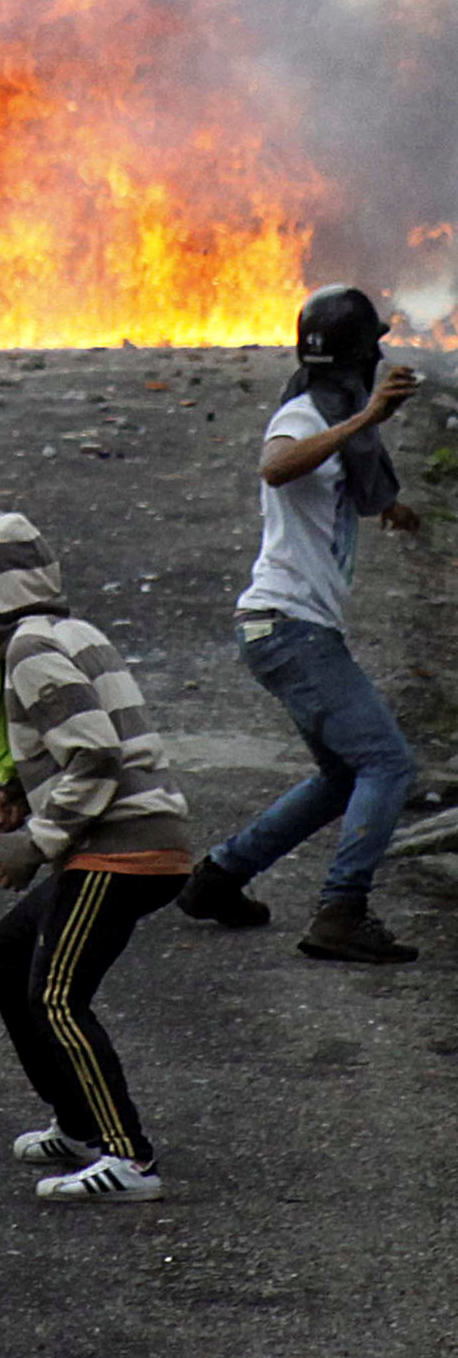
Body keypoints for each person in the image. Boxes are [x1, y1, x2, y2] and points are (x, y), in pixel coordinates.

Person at [0, 510, 194, 1202]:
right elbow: (80, 742)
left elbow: (96, 754)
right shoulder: (65, 631)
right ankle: (78, 1125)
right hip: (129, 837)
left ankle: (128, 1157)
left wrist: (38, 844)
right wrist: (17, 797)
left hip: (121, 849)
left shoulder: (26, 648)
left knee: (56, 997)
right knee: (3, 952)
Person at [179, 286, 428, 963]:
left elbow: (342, 482)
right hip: (290, 628)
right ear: (355, 357)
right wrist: (367, 416)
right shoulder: (301, 414)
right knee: (387, 762)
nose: (378, 357)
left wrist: (391, 508)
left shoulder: (333, 416)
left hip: (285, 629)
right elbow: (276, 465)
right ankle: (342, 912)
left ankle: (218, 879)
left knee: (343, 776)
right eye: (370, 348)